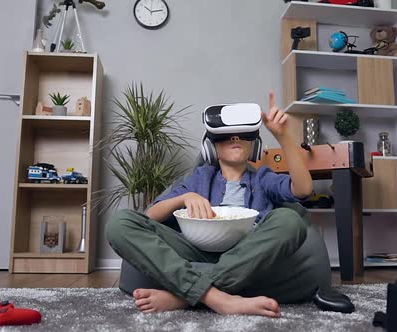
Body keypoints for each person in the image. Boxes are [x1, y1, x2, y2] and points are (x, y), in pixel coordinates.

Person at [107, 91, 315, 318]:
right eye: (226, 136)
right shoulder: (199, 178)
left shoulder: (263, 178)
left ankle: (183, 296)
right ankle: (220, 299)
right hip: (196, 249)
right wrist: (185, 198)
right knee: (120, 223)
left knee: (290, 220)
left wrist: (284, 136)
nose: (235, 139)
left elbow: (303, 189)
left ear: (253, 144)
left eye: (243, 135)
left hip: (248, 254)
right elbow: (151, 215)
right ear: (211, 147)